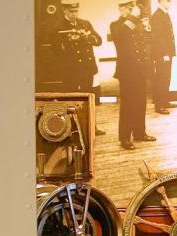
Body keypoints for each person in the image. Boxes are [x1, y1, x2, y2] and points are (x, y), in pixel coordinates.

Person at [54, 0, 106, 135]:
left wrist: (88, 37)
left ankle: (91, 127)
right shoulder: (58, 27)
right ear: (64, 11)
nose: (74, 14)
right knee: (72, 100)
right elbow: (56, 51)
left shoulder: (85, 23)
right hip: (71, 70)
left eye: (76, 11)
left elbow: (98, 41)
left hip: (87, 69)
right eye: (71, 11)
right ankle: (72, 129)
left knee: (88, 98)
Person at [110, 0, 156, 150]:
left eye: (132, 7)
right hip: (127, 71)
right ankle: (124, 138)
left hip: (140, 69)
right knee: (128, 105)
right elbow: (121, 36)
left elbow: (147, 42)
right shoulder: (116, 25)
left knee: (140, 103)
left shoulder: (137, 23)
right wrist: (133, 18)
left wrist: (147, 28)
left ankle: (139, 132)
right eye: (128, 7)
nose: (132, 9)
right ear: (120, 8)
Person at [151, 0, 177, 115]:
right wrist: (164, 53)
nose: (169, 3)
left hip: (167, 52)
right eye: (167, 1)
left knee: (166, 77)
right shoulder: (157, 16)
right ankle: (159, 105)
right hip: (162, 53)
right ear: (161, 2)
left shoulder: (164, 14)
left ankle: (164, 100)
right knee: (161, 78)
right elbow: (159, 37)